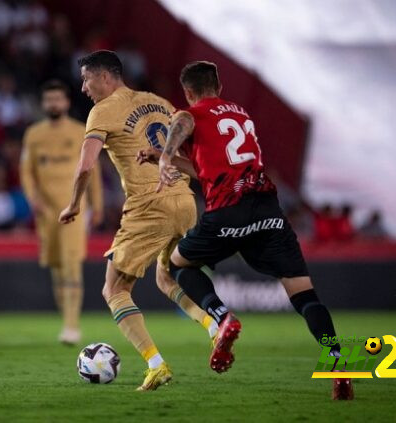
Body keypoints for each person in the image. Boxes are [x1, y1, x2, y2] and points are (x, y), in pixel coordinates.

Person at [142, 61, 353, 399]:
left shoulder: (191, 113)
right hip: (269, 212)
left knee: (178, 264)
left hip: (228, 212)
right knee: (303, 294)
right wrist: (162, 158)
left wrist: (166, 157)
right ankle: (339, 362)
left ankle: (222, 317)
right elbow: (208, 171)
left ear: (189, 93)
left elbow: (183, 120)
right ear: (219, 87)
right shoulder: (241, 114)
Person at [58, 50, 217, 391]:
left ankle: (156, 364)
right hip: (185, 200)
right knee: (166, 277)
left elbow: (86, 166)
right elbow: (190, 147)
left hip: (149, 205)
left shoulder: (102, 111)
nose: (83, 87)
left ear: (105, 76)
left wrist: (73, 205)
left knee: (114, 289)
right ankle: (214, 326)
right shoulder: (157, 102)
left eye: (86, 79)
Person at [20, 79, 104, 345]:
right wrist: (33, 199)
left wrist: (98, 205)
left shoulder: (81, 131)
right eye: (49, 99)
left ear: (67, 102)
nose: (53, 104)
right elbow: (26, 171)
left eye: (58, 99)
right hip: (46, 213)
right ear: (44, 104)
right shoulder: (33, 135)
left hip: (75, 208)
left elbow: (95, 171)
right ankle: (66, 321)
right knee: (56, 267)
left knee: (71, 265)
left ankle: (72, 326)